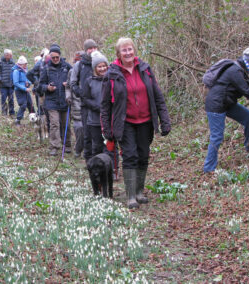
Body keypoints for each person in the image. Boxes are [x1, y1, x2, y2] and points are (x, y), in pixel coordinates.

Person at [101, 37, 171, 209]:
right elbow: (104, 105)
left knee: (143, 155)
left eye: (130, 49)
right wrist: (106, 129)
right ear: (119, 53)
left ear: (134, 50)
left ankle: (140, 191)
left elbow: (158, 96)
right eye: (124, 50)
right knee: (130, 156)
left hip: (146, 121)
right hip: (125, 122)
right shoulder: (112, 74)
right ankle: (131, 195)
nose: (128, 53)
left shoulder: (145, 69)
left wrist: (165, 119)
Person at [38, 44, 72, 156]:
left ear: (60, 56)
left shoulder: (67, 67)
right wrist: (47, 87)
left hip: (65, 99)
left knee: (66, 124)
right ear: (50, 57)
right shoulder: (46, 69)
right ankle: (54, 146)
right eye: (53, 58)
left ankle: (67, 144)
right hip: (51, 101)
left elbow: (75, 80)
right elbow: (40, 85)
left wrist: (69, 84)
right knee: (54, 124)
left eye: (57, 57)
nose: (56, 59)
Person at [70, 39, 98, 162]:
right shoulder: (79, 65)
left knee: (100, 132)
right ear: (85, 50)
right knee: (87, 132)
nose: (92, 50)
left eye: (94, 48)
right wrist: (81, 94)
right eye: (89, 48)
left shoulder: (101, 62)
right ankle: (89, 159)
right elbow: (72, 83)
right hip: (85, 104)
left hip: (100, 103)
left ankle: (99, 156)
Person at [66, 51, 84, 158]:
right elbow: (68, 86)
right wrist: (68, 96)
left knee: (87, 131)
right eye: (77, 60)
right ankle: (78, 149)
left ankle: (86, 152)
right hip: (75, 104)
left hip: (88, 104)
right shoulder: (71, 72)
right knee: (78, 129)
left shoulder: (91, 70)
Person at [0, 49, 15, 117]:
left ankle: (12, 113)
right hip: (3, 85)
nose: (11, 56)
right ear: (6, 55)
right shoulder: (0, 63)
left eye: (11, 54)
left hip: (11, 85)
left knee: (11, 100)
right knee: (3, 99)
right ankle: (4, 113)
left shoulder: (13, 63)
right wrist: (0, 79)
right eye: (10, 55)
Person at [13, 56, 34, 126]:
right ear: (21, 64)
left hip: (26, 90)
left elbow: (28, 79)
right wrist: (25, 88)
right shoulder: (16, 72)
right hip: (19, 91)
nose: (26, 65)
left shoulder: (25, 70)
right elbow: (16, 83)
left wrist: (29, 83)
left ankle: (34, 119)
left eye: (26, 64)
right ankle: (17, 120)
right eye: (25, 64)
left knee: (30, 104)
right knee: (23, 105)